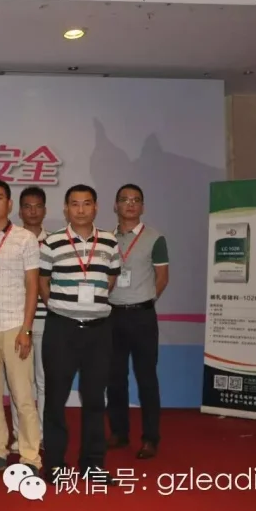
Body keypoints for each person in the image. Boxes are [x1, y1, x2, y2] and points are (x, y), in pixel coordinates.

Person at [39, 184, 120, 484]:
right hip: (62, 330)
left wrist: (90, 306)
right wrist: (61, 307)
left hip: (98, 331)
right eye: (75, 204)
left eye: (87, 203)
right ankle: (55, 465)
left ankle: (92, 464)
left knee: (95, 399)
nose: (81, 209)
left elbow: (110, 280)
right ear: (66, 209)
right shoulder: (52, 242)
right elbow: (43, 282)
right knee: (55, 399)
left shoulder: (110, 241)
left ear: (96, 207)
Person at [0, 180, 43, 476]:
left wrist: (26, 329)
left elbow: (32, 286)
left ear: (10, 204)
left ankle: (30, 457)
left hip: (15, 326)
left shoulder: (25, 239)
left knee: (22, 396)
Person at [106, 184, 169, 460]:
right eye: (125, 200)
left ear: (142, 206)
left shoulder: (155, 238)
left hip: (142, 316)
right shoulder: (106, 239)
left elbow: (162, 278)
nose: (130, 204)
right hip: (111, 316)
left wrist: (144, 300)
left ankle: (150, 438)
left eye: (136, 200)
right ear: (115, 206)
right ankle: (119, 433)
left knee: (147, 379)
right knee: (114, 378)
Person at [17, 185, 49, 453]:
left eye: (37, 206)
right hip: (19, 323)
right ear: (19, 211)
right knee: (20, 385)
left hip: (48, 322)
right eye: (27, 206)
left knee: (45, 382)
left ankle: (43, 435)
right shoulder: (12, 241)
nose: (32, 211)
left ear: (45, 210)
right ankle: (22, 436)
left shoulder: (55, 242)